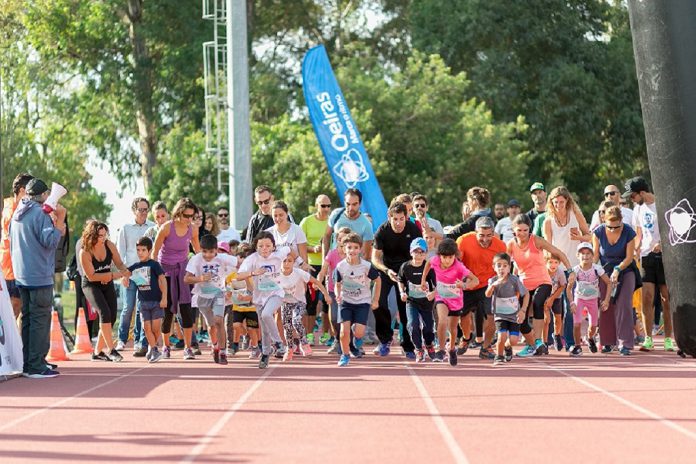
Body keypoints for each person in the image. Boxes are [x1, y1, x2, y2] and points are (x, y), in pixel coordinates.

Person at [9, 178, 66, 378]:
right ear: (43, 195)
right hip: (39, 275)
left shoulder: (18, 212)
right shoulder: (39, 214)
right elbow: (50, 241)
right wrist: (59, 223)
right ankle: (36, 366)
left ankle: (30, 362)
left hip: (22, 274)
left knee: (28, 320)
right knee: (40, 319)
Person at [507, 214, 575, 357]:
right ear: (514, 230)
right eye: (519, 230)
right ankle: (532, 345)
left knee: (538, 303)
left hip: (543, 281)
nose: (523, 233)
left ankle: (538, 341)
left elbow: (558, 252)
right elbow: (504, 263)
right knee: (521, 319)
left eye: (526, 230)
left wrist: (570, 270)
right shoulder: (511, 245)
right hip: (524, 284)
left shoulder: (536, 240)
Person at [624, 177, 675, 351]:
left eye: (633, 196)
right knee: (647, 297)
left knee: (666, 298)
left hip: (665, 257)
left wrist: (662, 245)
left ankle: (668, 339)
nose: (632, 200)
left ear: (642, 193)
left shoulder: (662, 203)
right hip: (646, 257)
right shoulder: (638, 209)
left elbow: (674, 229)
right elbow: (638, 234)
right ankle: (648, 338)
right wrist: (635, 250)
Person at [237, 231, 295, 369]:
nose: (264, 249)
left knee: (266, 314)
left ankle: (279, 343)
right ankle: (265, 353)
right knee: (264, 329)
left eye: (268, 246)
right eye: (261, 246)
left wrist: (300, 262)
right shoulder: (252, 259)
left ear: (273, 247)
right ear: (256, 247)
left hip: (277, 293)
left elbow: (290, 249)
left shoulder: (278, 254)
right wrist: (253, 273)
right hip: (259, 297)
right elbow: (239, 276)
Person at [152, 197, 201, 360]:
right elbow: (154, 252)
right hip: (165, 271)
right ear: (178, 213)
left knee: (187, 310)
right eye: (186, 216)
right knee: (167, 311)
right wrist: (155, 275)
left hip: (183, 271)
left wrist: (201, 268)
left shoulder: (193, 229)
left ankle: (188, 348)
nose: (189, 219)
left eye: (192, 216)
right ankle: (166, 346)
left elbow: (197, 251)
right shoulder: (167, 228)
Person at [371, 202, 422, 358]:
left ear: (406, 217)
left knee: (405, 309)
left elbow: (419, 253)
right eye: (395, 219)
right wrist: (386, 270)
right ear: (389, 217)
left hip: (406, 272)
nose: (399, 223)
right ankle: (385, 340)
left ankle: (408, 346)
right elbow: (374, 258)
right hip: (386, 271)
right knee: (377, 303)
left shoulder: (413, 230)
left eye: (402, 219)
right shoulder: (382, 231)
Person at [79, 221, 131, 363]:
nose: (103, 238)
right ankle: (112, 350)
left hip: (106, 283)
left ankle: (97, 353)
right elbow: (92, 276)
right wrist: (113, 276)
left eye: (104, 235)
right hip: (91, 285)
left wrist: (126, 273)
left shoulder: (109, 245)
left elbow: (119, 263)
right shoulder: (84, 252)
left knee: (112, 317)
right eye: (99, 236)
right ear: (91, 236)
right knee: (104, 313)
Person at [421, 238, 479, 366]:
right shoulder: (435, 260)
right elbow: (428, 264)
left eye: (450, 257)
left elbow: (475, 281)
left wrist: (463, 285)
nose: (447, 260)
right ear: (439, 256)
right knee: (442, 320)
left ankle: (452, 349)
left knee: (453, 328)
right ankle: (441, 350)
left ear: (455, 256)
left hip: (455, 300)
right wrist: (423, 279)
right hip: (441, 297)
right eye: (444, 257)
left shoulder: (459, 267)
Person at [456, 216, 507, 359]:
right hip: (468, 284)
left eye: (489, 235)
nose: (485, 239)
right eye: (481, 236)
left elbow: (505, 268)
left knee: (491, 316)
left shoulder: (501, 246)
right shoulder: (463, 241)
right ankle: (466, 338)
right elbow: (456, 263)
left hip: (488, 285)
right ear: (475, 232)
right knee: (463, 316)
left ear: (494, 233)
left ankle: (486, 347)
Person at [185, 234, 238, 365]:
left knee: (219, 321)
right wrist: (200, 279)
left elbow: (240, 262)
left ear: (216, 250)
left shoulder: (222, 258)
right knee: (211, 326)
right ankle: (215, 345)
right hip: (202, 297)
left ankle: (223, 352)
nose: (208, 255)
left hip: (218, 294)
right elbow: (186, 279)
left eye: (211, 252)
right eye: (204, 252)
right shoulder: (196, 260)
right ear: (201, 250)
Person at [594, 205, 639, 355]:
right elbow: (595, 257)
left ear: (621, 221)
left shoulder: (628, 232)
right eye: (610, 227)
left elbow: (629, 257)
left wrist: (618, 269)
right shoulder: (598, 232)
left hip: (625, 269)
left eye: (616, 226)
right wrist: (594, 272)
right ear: (604, 221)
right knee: (605, 304)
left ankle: (625, 343)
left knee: (624, 303)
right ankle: (607, 342)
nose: (613, 230)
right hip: (605, 271)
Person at [335, 232, 381, 367]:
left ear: (360, 249)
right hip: (346, 301)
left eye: (355, 247)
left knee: (359, 332)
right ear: (344, 249)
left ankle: (357, 339)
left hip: (362, 302)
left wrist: (375, 300)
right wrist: (338, 294)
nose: (352, 251)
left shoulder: (366, 266)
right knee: (344, 332)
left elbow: (378, 281)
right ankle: (345, 355)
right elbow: (337, 283)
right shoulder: (340, 266)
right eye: (349, 247)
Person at [115, 197, 154, 356]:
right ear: (134, 210)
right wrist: (123, 273)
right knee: (128, 307)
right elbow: (120, 253)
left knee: (141, 308)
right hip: (129, 272)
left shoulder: (152, 227)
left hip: (145, 273)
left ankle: (139, 341)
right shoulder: (125, 228)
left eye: (146, 209)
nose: (143, 213)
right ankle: (122, 339)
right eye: (140, 209)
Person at [278, 254, 331, 361]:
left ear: (294, 263)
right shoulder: (276, 274)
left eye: (289, 261)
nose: (287, 263)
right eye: (284, 261)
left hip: (299, 302)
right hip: (285, 303)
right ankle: (289, 348)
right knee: (287, 326)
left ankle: (304, 344)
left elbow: (316, 282)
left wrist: (326, 294)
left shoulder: (299, 273)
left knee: (296, 321)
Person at [125, 237, 167, 363]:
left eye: (143, 250)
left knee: (155, 329)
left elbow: (162, 280)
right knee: (146, 328)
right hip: (143, 303)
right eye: (138, 250)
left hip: (156, 302)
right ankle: (154, 349)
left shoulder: (154, 265)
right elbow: (125, 272)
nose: (140, 252)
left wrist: (164, 297)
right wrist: (124, 278)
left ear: (149, 251)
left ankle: (151, 347)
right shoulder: (135, 266)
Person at [486, 252, 529, 365]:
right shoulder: (492, 280)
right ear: (494, 267)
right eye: (499, 265)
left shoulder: (514, 280)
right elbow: (488, 294)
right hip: (500, 314)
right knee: (502, 336)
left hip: (514, 314)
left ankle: (507, 347)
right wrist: (493, 285)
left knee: (514, 340)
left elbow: (526, 294)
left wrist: (523, 310)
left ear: (510, 267)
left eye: (505, 265)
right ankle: (499, 356)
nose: (502, 268)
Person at [569, 242, 612, 356]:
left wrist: (606, 300)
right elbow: (568, 288)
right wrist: (572, 302)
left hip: (593, 300)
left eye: (588, 253)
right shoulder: (575, 270)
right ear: (578, 256)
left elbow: (609, 283)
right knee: (577, 324)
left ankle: (590, 337)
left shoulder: (597, 269)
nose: (585, 256)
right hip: (579, 299)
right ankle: (577, 346)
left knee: (593, 326)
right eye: (582, 253)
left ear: (593, 256)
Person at [300, 194, 332, 344]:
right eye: (322, 206)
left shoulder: (332, 222)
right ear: (316, 206)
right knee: (310, 300)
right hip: (312, 265)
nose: (326, 209)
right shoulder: (306, 221)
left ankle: (326, 334)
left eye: (328, 206)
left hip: (329, 265)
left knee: (327, 301)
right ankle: (309, 334)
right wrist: (313, 249)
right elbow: (299, 244)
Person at [398, 238, 436, 362]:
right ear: (410, 252)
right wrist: (402, 292)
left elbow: (437, 285)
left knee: (428, 327)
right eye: (416, 251)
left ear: (426, 253)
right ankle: (419, 349)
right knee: (412, 325)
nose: (418, 255)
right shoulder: (405, 267)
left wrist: (433, 293)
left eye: (421, 252)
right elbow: (401, 281)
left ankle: (429, 344)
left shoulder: (429, 267)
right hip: (412, 301)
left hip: (426, 302)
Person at [2, 172, 33, 323]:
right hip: (11, 268)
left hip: (16, 267)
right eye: (29, 191)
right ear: (21, 190)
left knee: (17, 309)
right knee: (13, 308)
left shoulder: (15, 208)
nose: (32, 195)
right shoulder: (12, 212)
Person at [317, 227, 353, 353]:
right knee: (333, 318)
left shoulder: (352, 254)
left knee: (347, 319)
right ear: (336, 240)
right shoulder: (332, 253)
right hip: (333, 290)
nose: (342, 242)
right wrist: (319, 279)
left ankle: (349, 343)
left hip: (350, 291)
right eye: (339, 239)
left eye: (345, 239)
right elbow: (323, 269)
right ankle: (337, 339)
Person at [226, 243, 261, 358]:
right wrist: (228, 294)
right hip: (238, 308)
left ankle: (255, 347)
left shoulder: (254, 277)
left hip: (251, 308)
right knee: (236, 325)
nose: (242, 260)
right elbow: (228, 290)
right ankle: (244, 334)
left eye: (245, 258)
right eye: (240, 257)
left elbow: (256, 294)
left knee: (252, 328)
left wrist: (247, 298)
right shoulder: (232, 276)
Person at [322, 188, 374, 259]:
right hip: (334, 264)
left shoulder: (367, 225)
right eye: (348, 204)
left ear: (360, 203)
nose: (350, 208)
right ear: (344, 202)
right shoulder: (336, 214)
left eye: (354, 204)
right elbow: (326, 236)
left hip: (354, 266)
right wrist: (324, 261)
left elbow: (365, 255)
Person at [267, 201, 308, 267]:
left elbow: (304, 257)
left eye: (281, 215)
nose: (278, 218)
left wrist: (303, 274)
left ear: (286, 214)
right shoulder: (268, 233)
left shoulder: (297, 230)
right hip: (276, 274)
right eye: (275, 216)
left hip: (295, 273)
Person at [544, 252, 568, 351]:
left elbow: (562, 286)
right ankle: (544, 342)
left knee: (558, 318)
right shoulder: (543, 272)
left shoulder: (560, 272)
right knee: (546, 320)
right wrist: (547, 299)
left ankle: (557, 335)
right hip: (544, 296)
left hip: (556, 296)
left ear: (559, 263)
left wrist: (552, 298)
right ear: (545, 262)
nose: (553, 265)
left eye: (555, 262)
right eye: (550, 262)